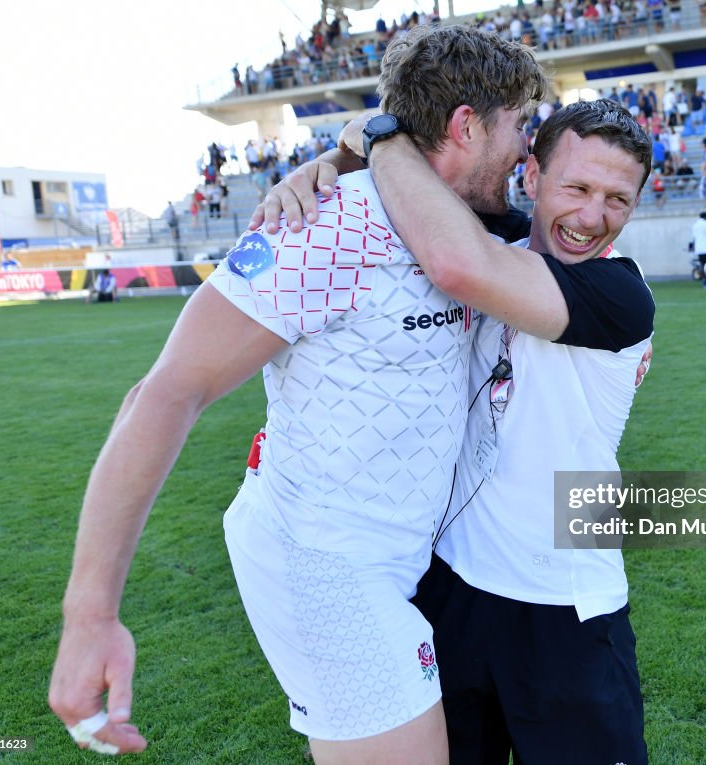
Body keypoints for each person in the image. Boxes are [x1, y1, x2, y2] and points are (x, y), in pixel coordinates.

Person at [48, 24, 548, 764]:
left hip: (402, 558)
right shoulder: (323, 223)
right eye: (519, 126)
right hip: (323, 561)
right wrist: (89, 612)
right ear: (466, 125)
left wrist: (348, 144)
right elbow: (165, 392)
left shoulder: (475, 227)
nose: (526, 150)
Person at [265, 97, 654, 765]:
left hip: (566, 607)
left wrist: (379, 137)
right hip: (451, 590)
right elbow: (407, 176)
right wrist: (326, 164)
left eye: (618, 198)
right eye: (578, 187)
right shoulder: (486, 234)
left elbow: (457, 261)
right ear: (529, 177)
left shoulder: (621, 296)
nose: (593, 217)